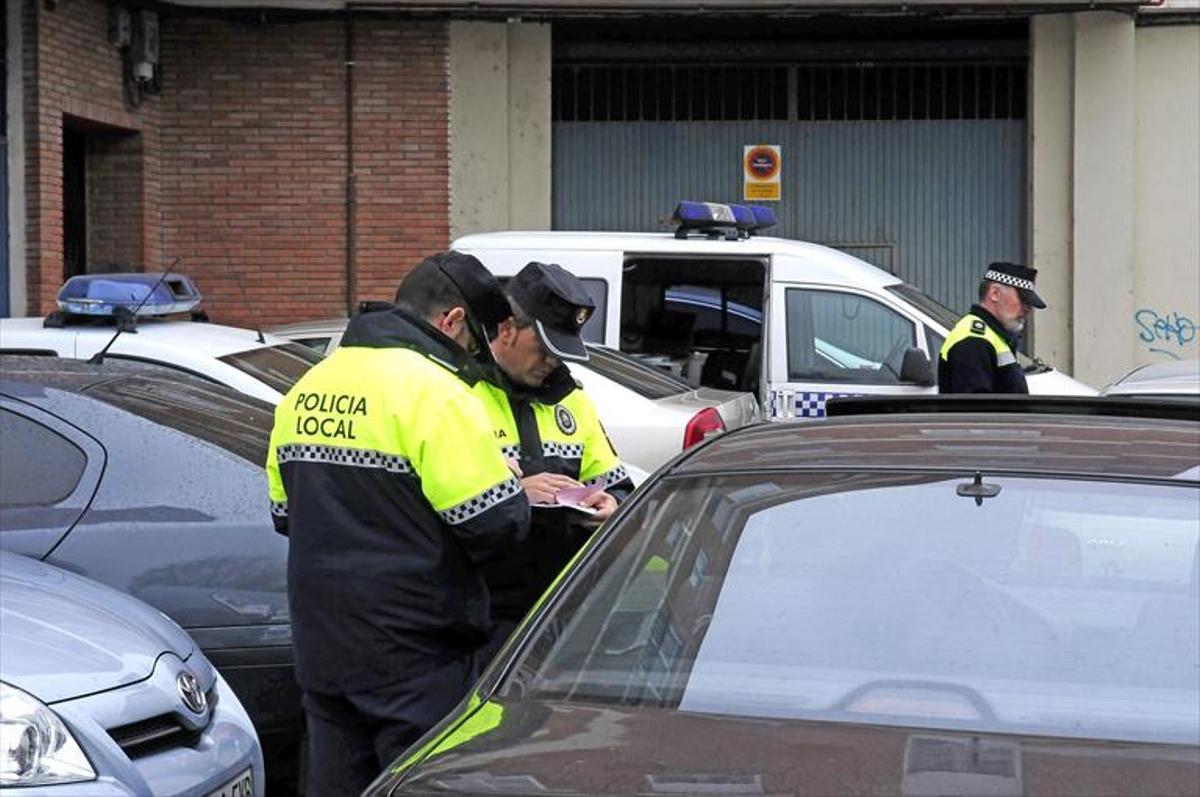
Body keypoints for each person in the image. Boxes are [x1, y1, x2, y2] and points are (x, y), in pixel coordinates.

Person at [265, 251, 531, 795]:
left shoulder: (306, 389)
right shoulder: (437, 393)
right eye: (474, 342)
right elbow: (496, 526)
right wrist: (507, 481)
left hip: (323, 647)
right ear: (451, 320)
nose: (474, 358)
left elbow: (286, 514)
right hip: (416, 657)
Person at [474, 261, 635, 661]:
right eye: (545, 348)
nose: (553, 362)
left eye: (561, 352)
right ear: (507, 328)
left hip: (560, 613)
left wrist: (607, 504)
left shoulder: (572, 400)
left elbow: (613, 482)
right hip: (483, 618)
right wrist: (514, 493)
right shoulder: (461, 397)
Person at [939, 261, 1046, 394]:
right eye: (1022, 299)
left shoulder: (993, 336)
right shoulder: (974, 341)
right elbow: (976, 410)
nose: (1028, 308)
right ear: (994, 293)